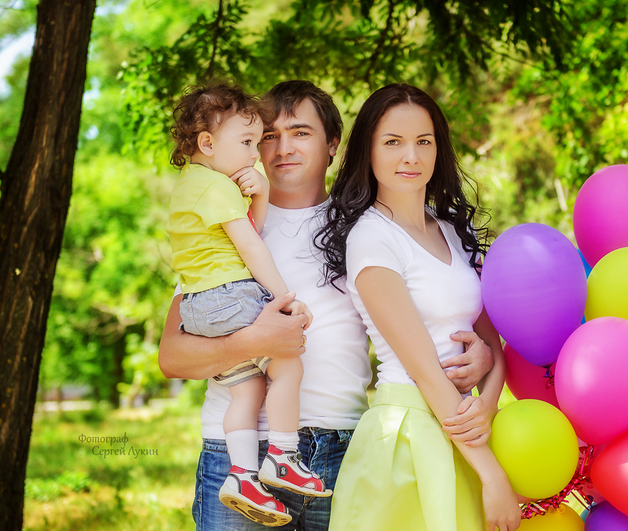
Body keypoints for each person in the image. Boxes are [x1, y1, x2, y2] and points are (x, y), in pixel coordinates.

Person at [159, 80, 497, 531]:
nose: (283, 148)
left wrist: (479, 356)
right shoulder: (224, 226)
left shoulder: (366, 226)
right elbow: (172, 355)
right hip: (240, 453)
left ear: (333, 144)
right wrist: (253, 342)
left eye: (300, 133)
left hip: (344, 449)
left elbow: (425, 320)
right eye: (269, 136)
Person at [316, 83, 521, 531]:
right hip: (409, 435)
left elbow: (492, 341)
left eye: (423, 142)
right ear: (368, 151)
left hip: (468, 427)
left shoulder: (453, 231)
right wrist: (492, 476)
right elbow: (424, 370)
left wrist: (487, 403)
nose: (411, 156)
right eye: (393, 142)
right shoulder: (372, 238)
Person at [167, 82, 331, 527]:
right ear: (207, 143)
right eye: (248, 142)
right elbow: (252, 247)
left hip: (202, 306)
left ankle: (243, 476)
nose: (256, 154)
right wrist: (284, 301)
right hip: (230, 294)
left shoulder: (192, 186)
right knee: (288, 366)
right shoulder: (216, 187)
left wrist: (258, 195)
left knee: (248, 389)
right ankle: (283, 455)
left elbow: (243, 232)